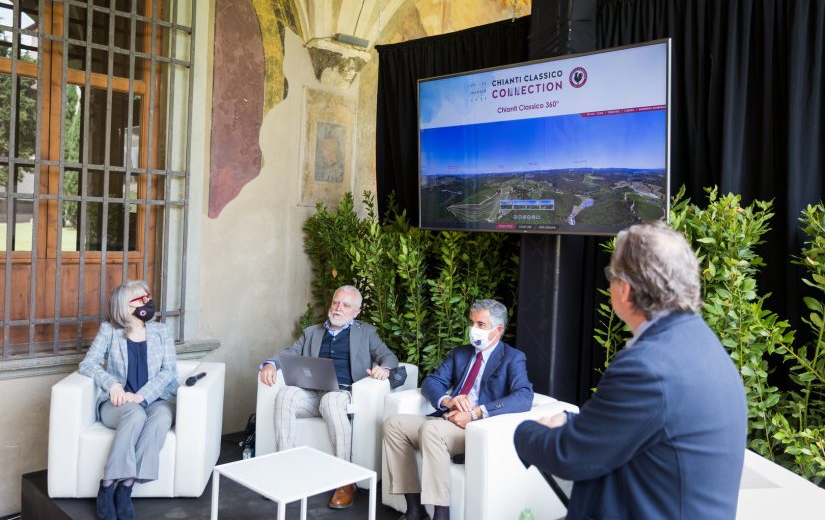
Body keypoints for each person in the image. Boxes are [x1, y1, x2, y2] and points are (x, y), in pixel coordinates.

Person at [513, 222, 748, 519]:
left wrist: (524, 431)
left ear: (623, 289)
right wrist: (571, 421)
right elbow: (648, 428)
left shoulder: (648, 365)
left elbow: (571, 456)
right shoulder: (701, 344)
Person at [383, 298, 534, 520]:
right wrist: (448, 400)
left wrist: (475, 413)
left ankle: (441, 515)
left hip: (474, 429)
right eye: (472, 323)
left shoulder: (512, 358)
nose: (473, 329)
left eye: (481, 325)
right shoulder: (461, 353)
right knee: (393, 424)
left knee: (431, 431)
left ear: (498, 330)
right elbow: (431, 382)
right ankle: (415, 509)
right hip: (446, 419)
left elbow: (524, 396)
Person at [258, 284, 399, 509]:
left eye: (346, 305)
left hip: (343, 394)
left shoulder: (365, 333)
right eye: (336, 302)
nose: (338, 308)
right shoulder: (312, 332)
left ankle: (345, 481)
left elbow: (388, 356)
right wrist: (271, 364)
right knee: (286, 395)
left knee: (331, 400)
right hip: (313, 393)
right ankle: (284, 470)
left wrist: (386, 369)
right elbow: (291, 352)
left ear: (356, 311)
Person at [79, 280, 178, 520]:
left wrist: (142, 395)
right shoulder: (109, 331)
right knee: (135, 413)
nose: (148, 303)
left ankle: (126, 488)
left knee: (161, 416)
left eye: (148, 297)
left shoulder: (161, 331)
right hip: (118, 404)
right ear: (125, 306)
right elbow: (87, 363)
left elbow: (169, 371)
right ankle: (107, 484)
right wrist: (112, 384)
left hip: (156, 399)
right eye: (140, 300)